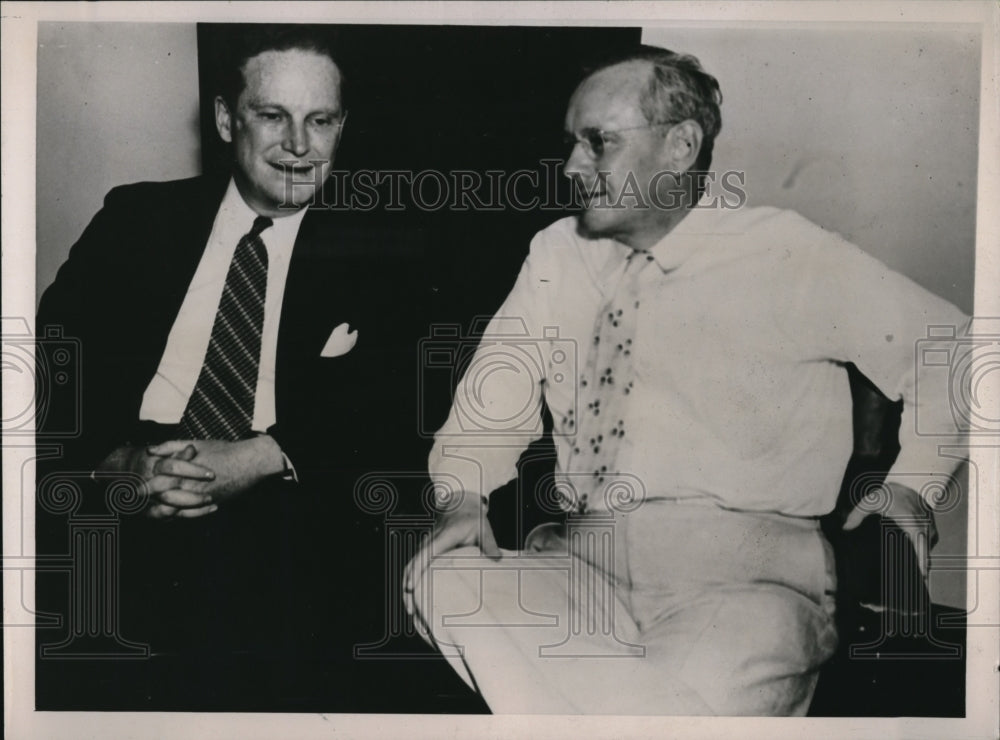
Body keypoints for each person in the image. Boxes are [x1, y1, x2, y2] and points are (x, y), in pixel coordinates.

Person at [403, 44, 970, 715]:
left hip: (746, 591)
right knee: (443, 578)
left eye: (598, 143)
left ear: (679, 146)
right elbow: (489, 403)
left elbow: (960, 350)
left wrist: (916, 486)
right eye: (571, 143)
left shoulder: (782, 250)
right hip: (578, 570)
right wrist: (462, 494)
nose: (571, 167)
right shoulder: (557, 254)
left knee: (667, 692)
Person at [35, 26, 434, 710]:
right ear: (227, 119)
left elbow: (401, 401)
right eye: (273, 115)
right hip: (120, 485)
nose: (299, 146)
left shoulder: (385, 249)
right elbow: (50, 368)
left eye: (321, 120)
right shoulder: (138, 218)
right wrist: (118, 464)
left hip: (282, 500)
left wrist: (260, 457)